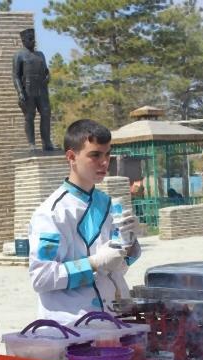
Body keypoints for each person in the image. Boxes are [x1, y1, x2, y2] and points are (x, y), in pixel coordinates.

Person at [28, 119, 141, 324]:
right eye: (95, 155)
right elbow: (41, 278)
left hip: (111, 320)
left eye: (107, 154)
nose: (105, 162)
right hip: (70, 326)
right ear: (71, 157)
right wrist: (94, 263)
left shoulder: (106, 204)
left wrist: (128, 245)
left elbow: (116, 268)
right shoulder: (52, 213)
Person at [12, 28, 54, 151]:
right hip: (28, 89)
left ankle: (47, 142)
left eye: (33, 38)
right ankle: (31, 143)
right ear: (23, 40)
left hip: (42, 89)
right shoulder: (19, 55)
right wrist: (20, 92)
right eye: (30, 39)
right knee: (29, 116)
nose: (33, 41)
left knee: (46, 113)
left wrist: (48, 76)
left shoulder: (40, 54)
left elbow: (46, 70)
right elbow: (15, 76)